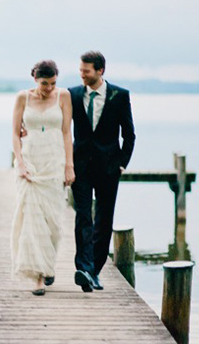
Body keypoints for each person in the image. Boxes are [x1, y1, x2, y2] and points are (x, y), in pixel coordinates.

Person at [68, 51, 136, 292]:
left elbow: (129, 134)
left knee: (104, 220)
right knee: (83, 217)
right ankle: (84, 268)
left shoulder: (120, 95)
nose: (82, 74)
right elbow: (63, 127)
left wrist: (122, 163)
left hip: (109, 168)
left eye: (86, 71)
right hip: (81, 167)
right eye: (81, 70)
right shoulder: (72, 94)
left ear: (100, 71)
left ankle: (95, 271)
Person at [11, 60, 75, 296]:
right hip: (30, 162)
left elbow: (67, 133)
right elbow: (15, 134)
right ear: (35, 80)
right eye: (44, 83)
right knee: (32, 220)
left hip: (54, 161)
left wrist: (69, 166)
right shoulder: (22, 98)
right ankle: (37, 276)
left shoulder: (63, 96)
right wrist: (20, 164)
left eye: (53, 83)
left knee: (53, 224)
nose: (49, 88)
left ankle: (48, 264)